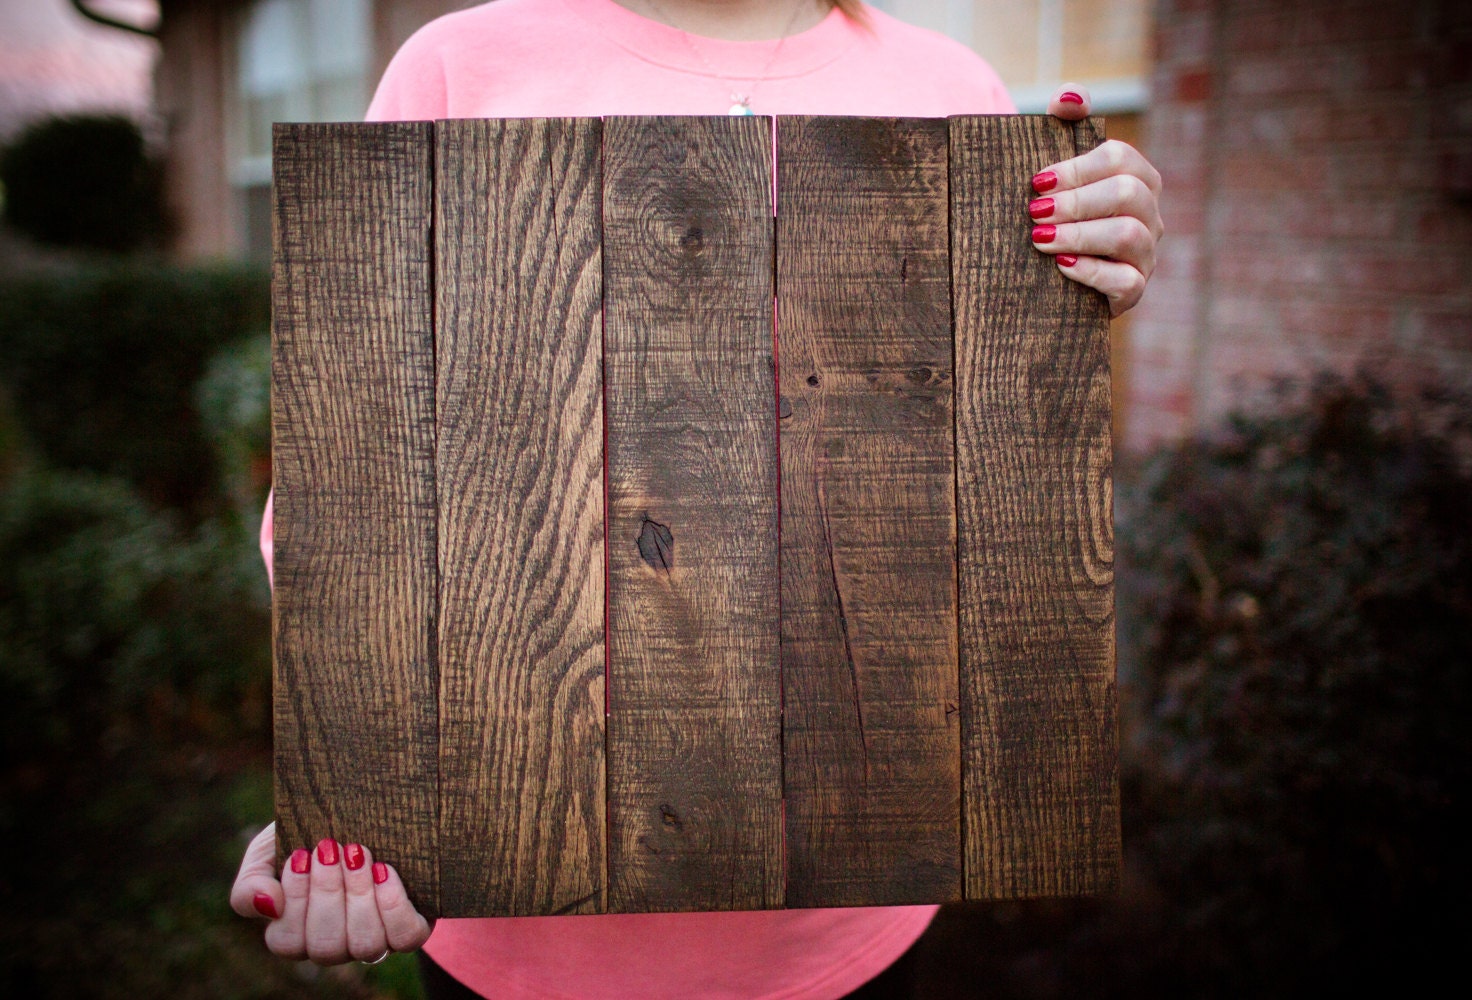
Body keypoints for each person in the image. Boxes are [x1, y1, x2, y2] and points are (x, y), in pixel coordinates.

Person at [230, 1, 1164, 996]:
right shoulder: (460, 64)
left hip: (858, 912)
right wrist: (357, 781)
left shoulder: (952, 88)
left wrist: (1079, 284)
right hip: (518, 917)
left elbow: (989, 493)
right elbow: (356, 479)